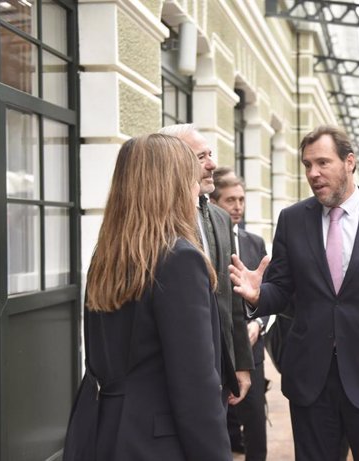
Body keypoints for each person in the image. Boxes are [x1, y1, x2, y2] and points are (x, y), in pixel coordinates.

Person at [229, 125, 359, 461]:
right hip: (311, 379)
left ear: (349, 162)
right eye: (307, 165)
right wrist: (257, 295)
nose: (313, 173)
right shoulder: (293, 219)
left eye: (323, 163)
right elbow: (280, 290)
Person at [63, 134, 231, 460]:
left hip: (103, 431)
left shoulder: (107, 256)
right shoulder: (179, 259)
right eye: (190, 179)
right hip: (155, 442)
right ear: (172, 185)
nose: (196, 189)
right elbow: (195, 388)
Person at [159, 123, 253, 406]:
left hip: (217, 368)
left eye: (210, 154)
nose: (213, 164)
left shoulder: (221, 218)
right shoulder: (155, 220)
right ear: (174, 162)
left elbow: (230, 297)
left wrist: (240, 363)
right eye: (201, 157)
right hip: (172, 371)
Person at [210, 167, 269, 460]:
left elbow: (267, 292)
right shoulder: (204, 241)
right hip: (216, 349)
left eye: (241, 200)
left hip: (251, 348)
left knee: (256, 423)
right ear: (214, 203)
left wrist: (258, 322)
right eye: (230, 200)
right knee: (220, 424)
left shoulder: (254, 242)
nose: (237, 207)